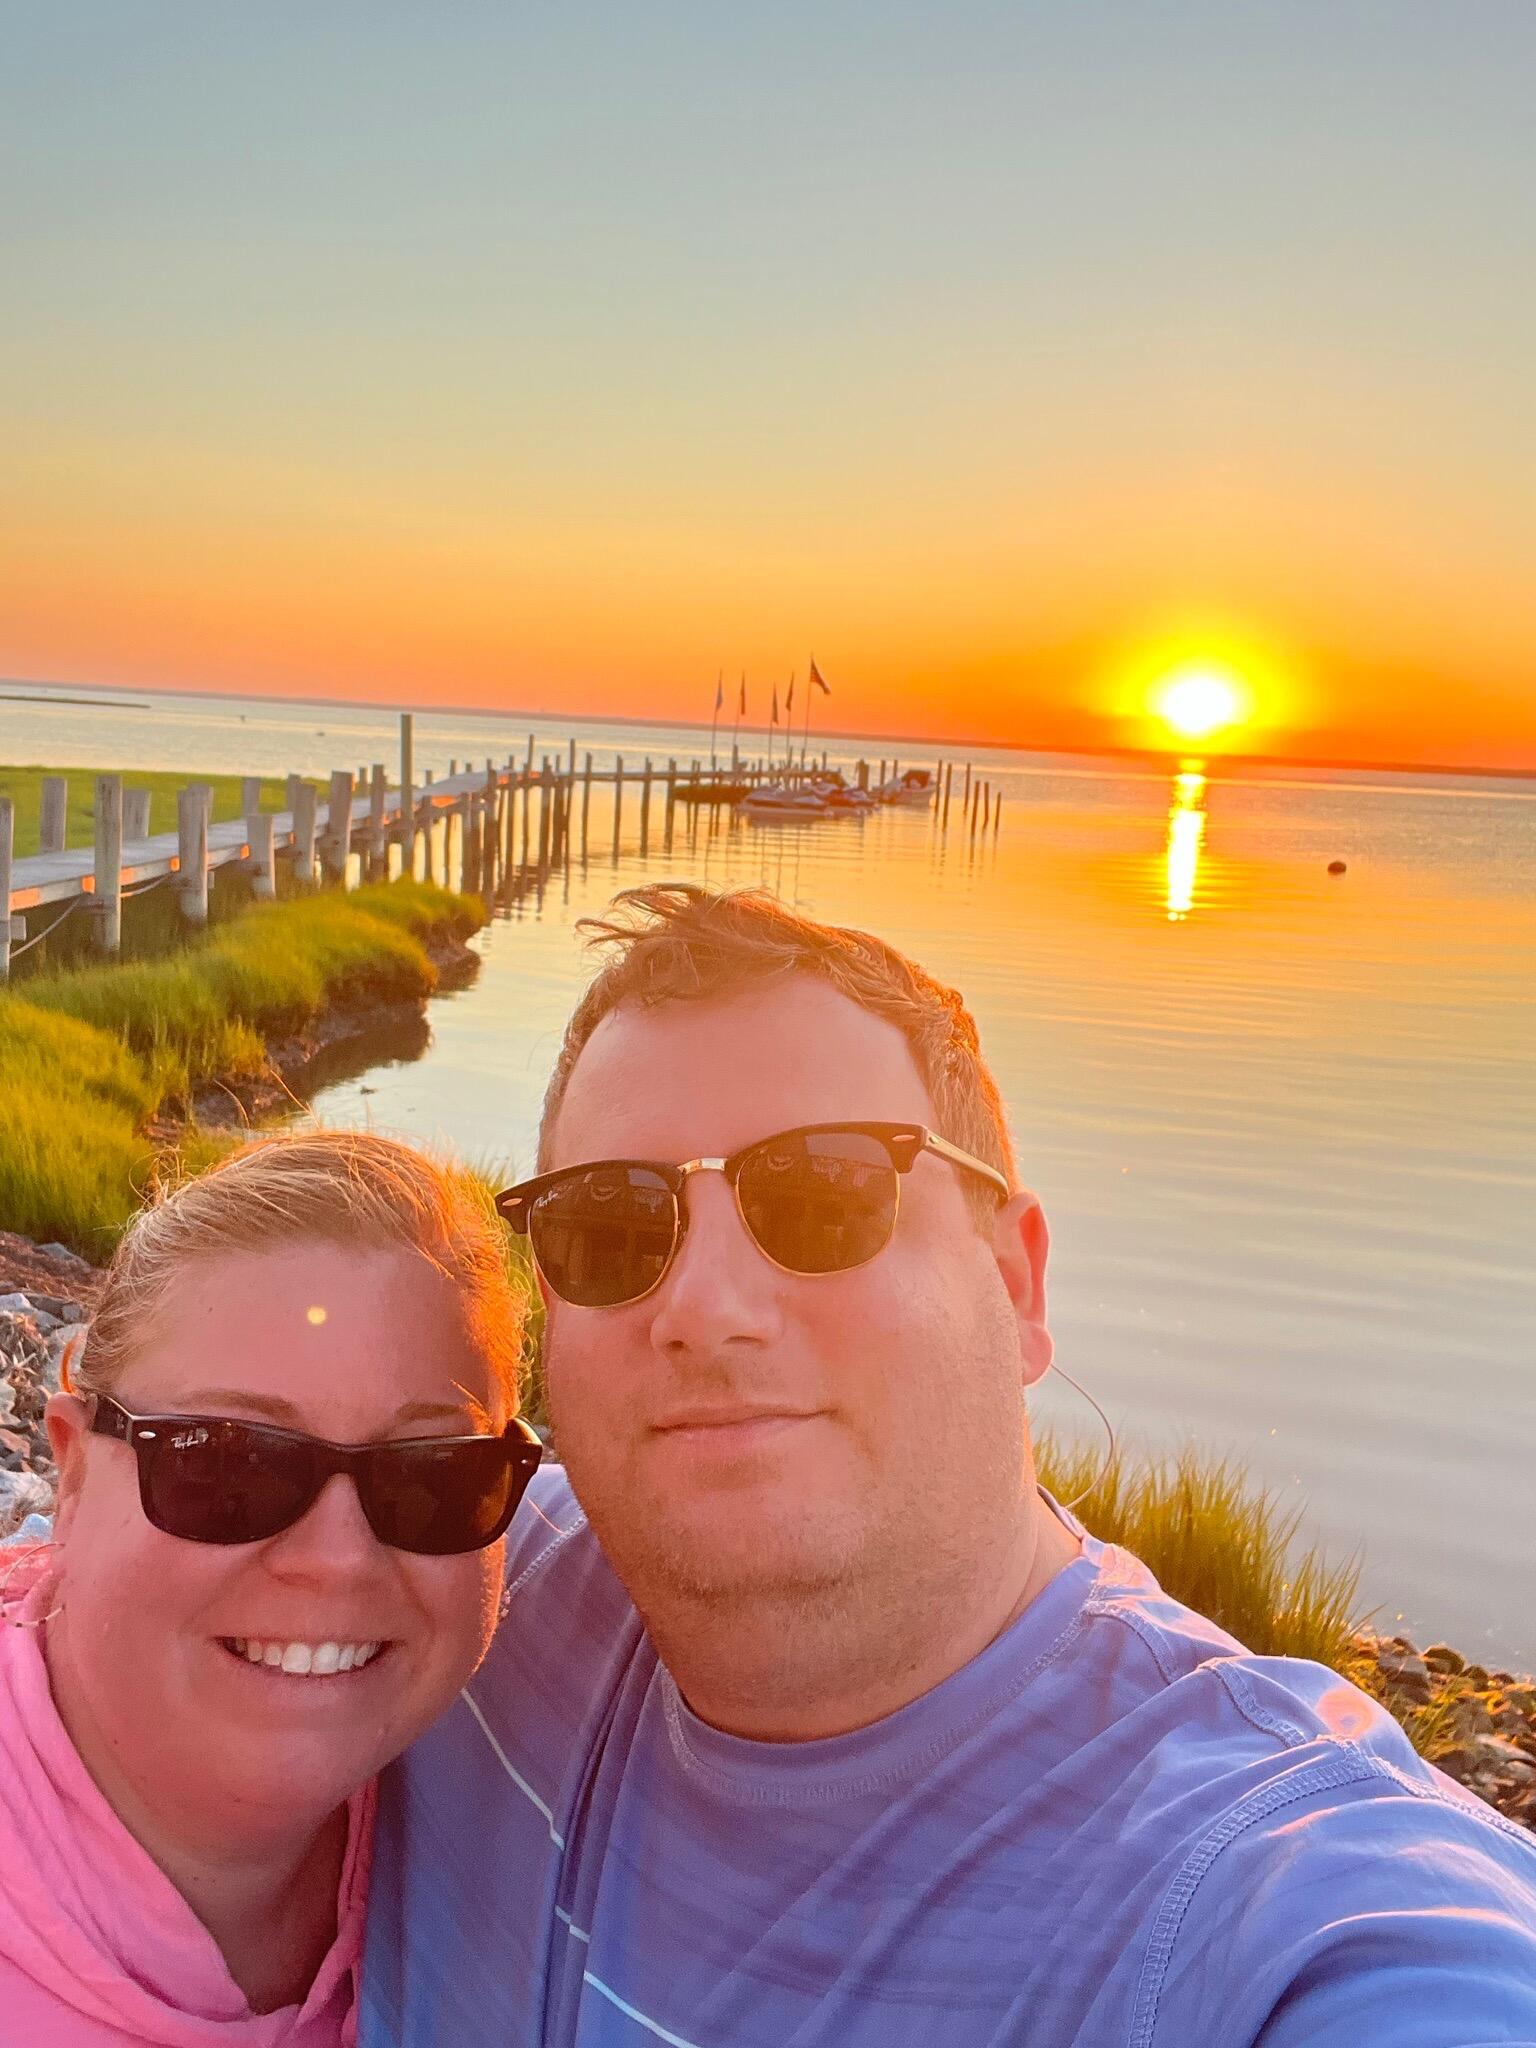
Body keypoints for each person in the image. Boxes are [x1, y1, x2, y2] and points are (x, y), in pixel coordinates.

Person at [361, 884, 1536, 2048]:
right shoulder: (442, 1588)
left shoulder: (1258, 1898)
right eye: (609, 1224)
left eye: (823, 1194)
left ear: (1017, 1283)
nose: (706, 1307)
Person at [0, 1131, 542, 2046]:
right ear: (73, 1477)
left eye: (433, 1474)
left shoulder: (514, 1792)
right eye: (229, 1462)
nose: (338, 1558)